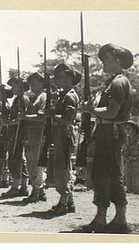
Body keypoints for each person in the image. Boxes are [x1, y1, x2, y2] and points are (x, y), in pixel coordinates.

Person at [81, 43, 133, 233]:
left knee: (104, 174)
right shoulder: (114, 82)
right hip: (107, 132)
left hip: (110, 132)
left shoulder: (118, 82)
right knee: (108, 174)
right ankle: (118, 219)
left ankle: (104, 219)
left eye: (107, 59)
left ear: (117, 60)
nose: (103, 61)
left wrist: (90, 109)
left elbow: (112, 112)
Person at [47, 63, 81, 216]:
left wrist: (52, 114)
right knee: (60, 167)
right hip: (59, 133)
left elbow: (68, 118)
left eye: (60, 77)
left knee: (64, 168)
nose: (57, 80)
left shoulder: (70, 96)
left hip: (65, 134)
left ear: (69, 77)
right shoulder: (63, 95)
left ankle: (64, 201)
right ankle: (69, 201)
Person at [1, 78, 30, 198]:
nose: (12, 89)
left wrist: (7, 123)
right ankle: (23, 186)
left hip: (19, 133)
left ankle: (16, 186)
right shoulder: (17, 100)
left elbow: (22, 119)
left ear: (20, 86)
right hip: (14, 133)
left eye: (14, 86)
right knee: (18, 159)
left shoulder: (23, 99)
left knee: (15, 158)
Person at [22, 73, 47, 203]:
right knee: (30, 162)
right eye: (31, 83)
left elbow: (41, 116)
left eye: (35, 83)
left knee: (37, 164)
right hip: (31, 133)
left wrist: (25, 117)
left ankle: (36, 191)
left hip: (39, 132)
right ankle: (40, 191)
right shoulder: (33, 98)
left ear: (42, 83)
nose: (32, 85)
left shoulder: (43, 97)